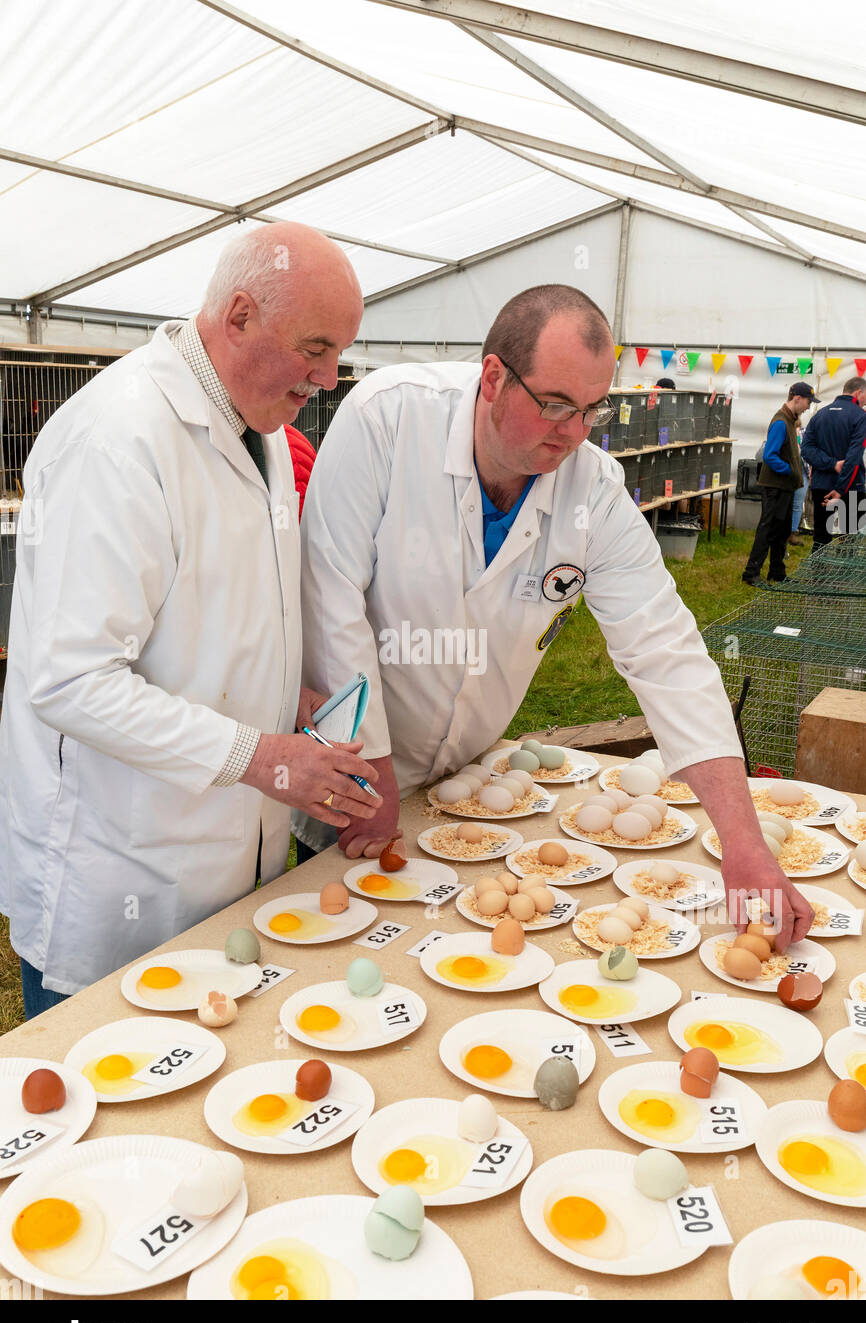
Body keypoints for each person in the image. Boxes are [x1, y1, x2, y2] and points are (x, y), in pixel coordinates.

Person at [296, 284, 812, 950]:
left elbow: (666, 653)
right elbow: (330, 599)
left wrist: (743, 843)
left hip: (463, 776)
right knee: (338, 943)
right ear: (492, 379)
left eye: (593, 409)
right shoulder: (386, 420)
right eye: (555, 405)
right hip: (352, 765)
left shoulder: (592, 487)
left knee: (454, 954)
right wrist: (375, 766)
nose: (573, 434)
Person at [0, 222, 382, 1017]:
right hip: (124, 874)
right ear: (239, 314)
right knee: (110, 1115)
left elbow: (229, 617)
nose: (329, 374)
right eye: (316, 347)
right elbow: (70, 680)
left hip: (232, 862)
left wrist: (290, 706)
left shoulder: (262, 430)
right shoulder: (117, 442)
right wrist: (263, 757)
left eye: (339, 350)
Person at [741, 382, 815, 586]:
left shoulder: (791, 420)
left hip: (785, 487)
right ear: (797, 399)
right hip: (775, 487)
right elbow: (769, 456)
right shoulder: (781, 422)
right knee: (767, 530)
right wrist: (790, 470)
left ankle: (777, 572)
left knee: (782, 531)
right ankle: (751, 573)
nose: (809, 406)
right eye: (808, 401)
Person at [801, 376, 866, 549]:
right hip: (851, 486)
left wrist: (831, 463)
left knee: (820, 537)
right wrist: (840, 488)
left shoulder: (820, 414)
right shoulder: (861, 416)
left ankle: (818, 576)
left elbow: (806, 450)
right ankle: (844, 576)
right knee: (851, 538)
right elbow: (853, 457)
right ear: (859, 392)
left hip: (821, 484)